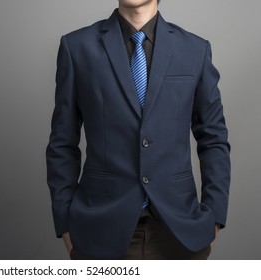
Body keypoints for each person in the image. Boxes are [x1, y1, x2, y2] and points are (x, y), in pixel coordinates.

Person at [46, 0, 230, 260]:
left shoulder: (195, 50)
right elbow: (62, 143)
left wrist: (215, 216)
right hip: (99, 231)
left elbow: (214, 139)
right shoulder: (76, 47)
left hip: (181, 232)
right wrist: (65, 223)